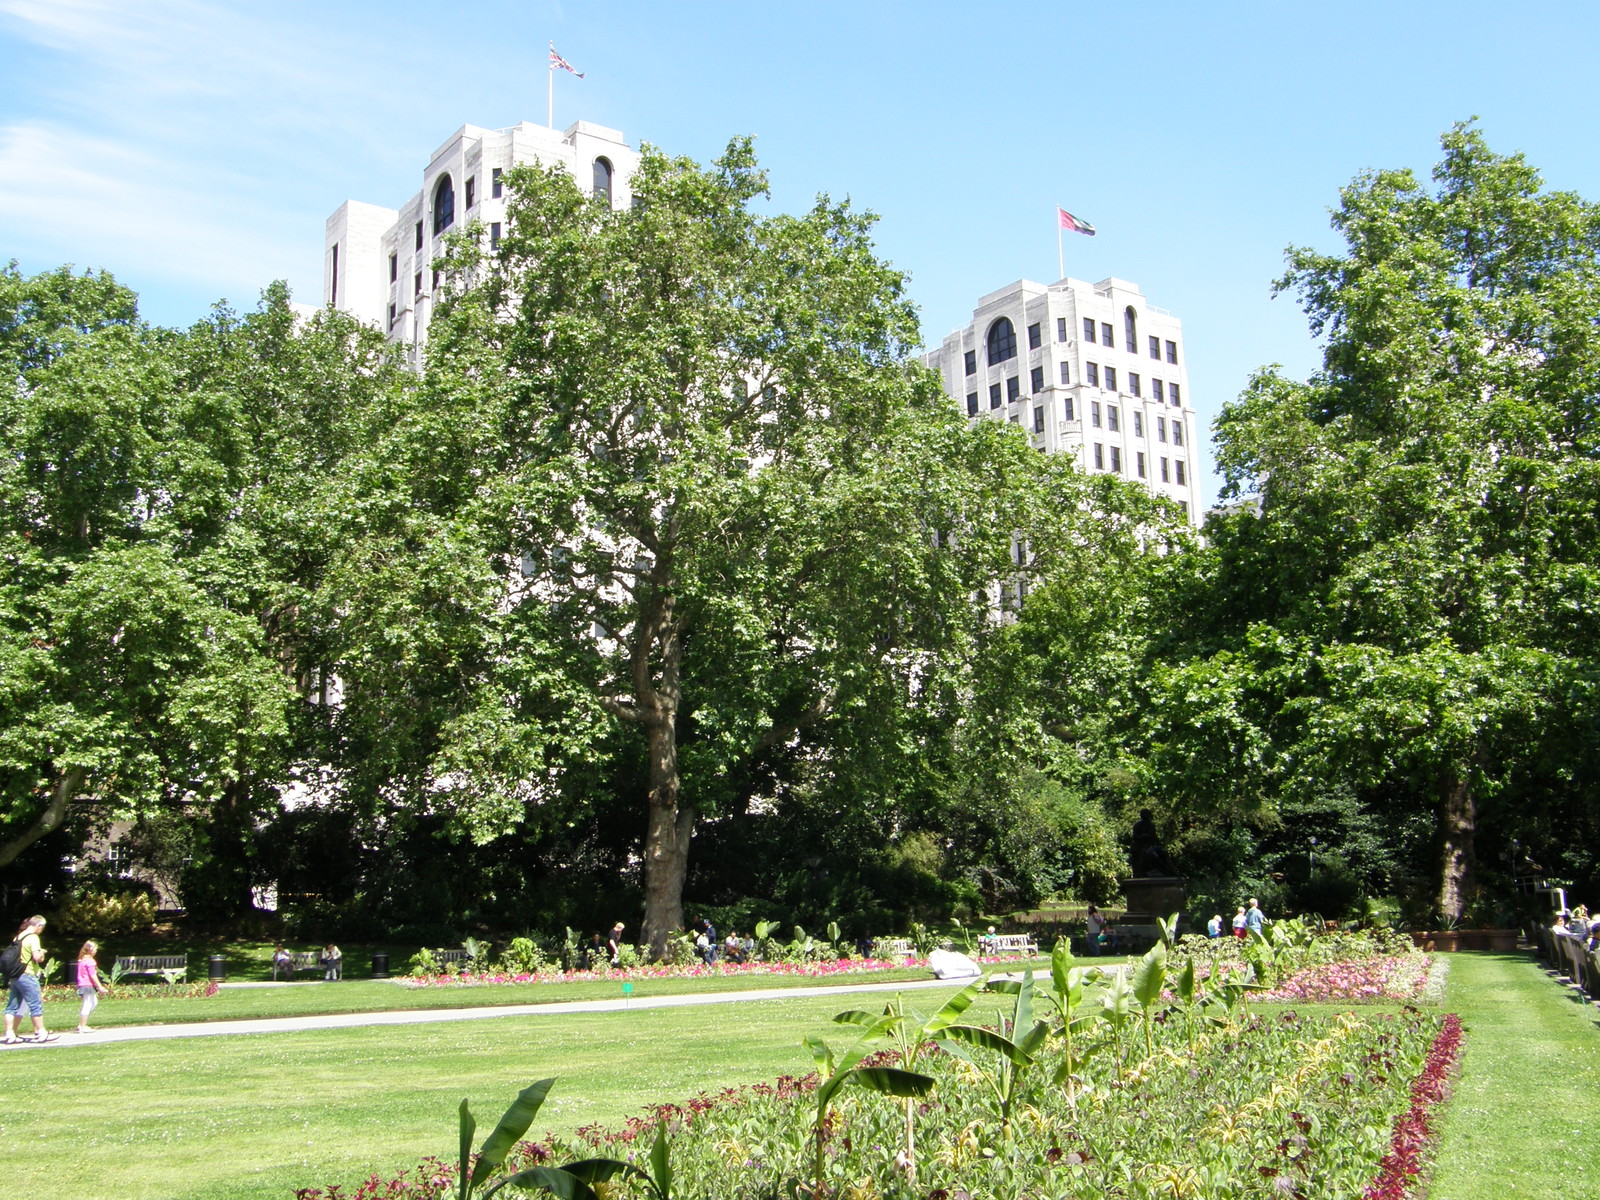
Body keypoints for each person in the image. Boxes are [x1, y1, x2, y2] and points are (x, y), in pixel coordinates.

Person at [4, 915, 55, 1044]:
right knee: (35, 1005)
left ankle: (10, 1034)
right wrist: (42, 952)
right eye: (42, 927)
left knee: (12, 1007)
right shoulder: (33, 938)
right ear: (38, 926)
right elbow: (37, 957)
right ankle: (41, 1032)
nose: (41, 930)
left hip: (16, 975)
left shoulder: (19, 936)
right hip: (27, 974)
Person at [76, 940, 109, 1034]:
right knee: (88, 1004)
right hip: (88, 985)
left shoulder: (82, 960)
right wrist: (100, 986)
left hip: (83, 985)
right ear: (90, 950)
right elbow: (93, 975)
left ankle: (82, 1023)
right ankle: (82, 1026)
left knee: (94, 1003)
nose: (96, 951)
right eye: (95, 949)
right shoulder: (90, 961)